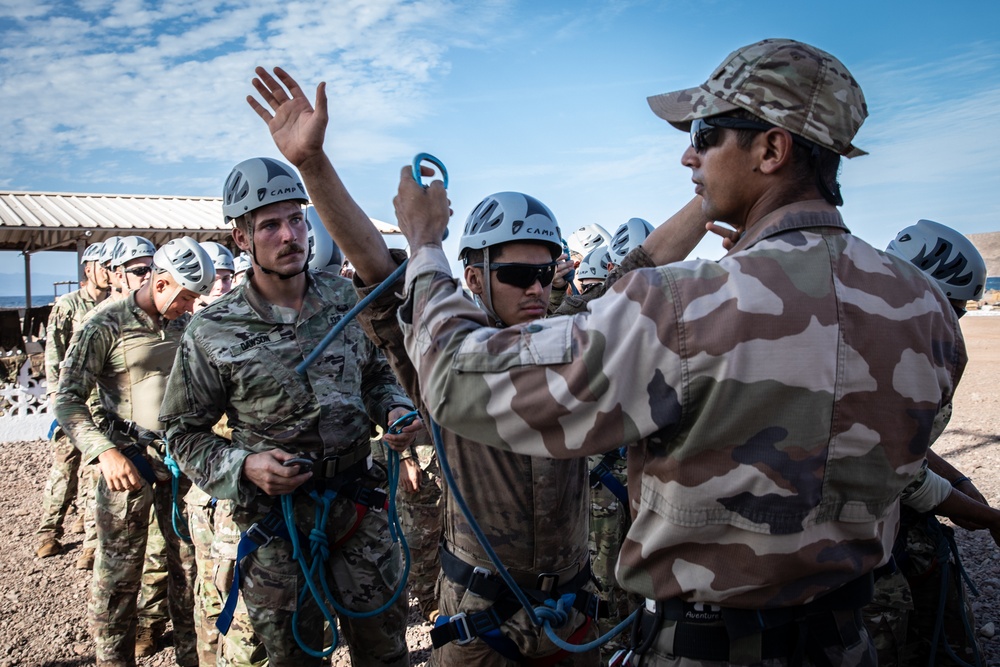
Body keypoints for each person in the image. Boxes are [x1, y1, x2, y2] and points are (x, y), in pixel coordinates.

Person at [390, 38, 969, 667]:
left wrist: (424, 248)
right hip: (846, 645)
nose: (688, 154)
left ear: (772, 149)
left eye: (706, 132)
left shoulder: (685, 304)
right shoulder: (925, 310)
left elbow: (454, 374)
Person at [242, 65, 709, 665]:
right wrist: (312, 164)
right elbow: (376, 267)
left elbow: (643, 263)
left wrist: (716, 192)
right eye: (517, 275)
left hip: (572, 615)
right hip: (482, 625)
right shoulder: (441, 350)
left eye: (546, 271)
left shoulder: (573, 337)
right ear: (473, 279)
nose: (537, 288)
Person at [159, 156, 419, 667]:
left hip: (357, 509)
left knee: (384, 652)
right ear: (242, 237)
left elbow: (377, 374)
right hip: (275, 526)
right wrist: (244, 467)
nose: (289, 235)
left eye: (296, 219)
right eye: (271, 225)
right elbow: (182, 431)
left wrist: (395, 410)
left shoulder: (346, 299)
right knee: (288, 658)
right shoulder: (213, 329)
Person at [55, 236, 213, 667]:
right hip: (126, 461)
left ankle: (190, 656)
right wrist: (104, 452)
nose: (189, 306)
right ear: (160, 284)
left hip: (178, 459)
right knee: (118, 578)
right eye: (184, 297)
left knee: (188, 568)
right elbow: (67, 399)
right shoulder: (104, 324)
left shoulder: (185, 324)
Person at [861, 219, 995, 666]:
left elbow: (903, 442)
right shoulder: (863, 345)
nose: (953, 321)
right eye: (953, 308)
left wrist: (959, 479)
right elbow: (897, 471)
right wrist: (981, 515)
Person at [35, 240, 110, 565]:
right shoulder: (68, 305)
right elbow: (54, 353)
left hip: (102, 403)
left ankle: (91, 542)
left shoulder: (115, 306)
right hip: (75, 401)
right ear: (88, 269)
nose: (108, 272)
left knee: (96, 472)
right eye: (102, 265)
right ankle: (49, 532)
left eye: (112, 266)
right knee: (65, 469)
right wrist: (57, 396)